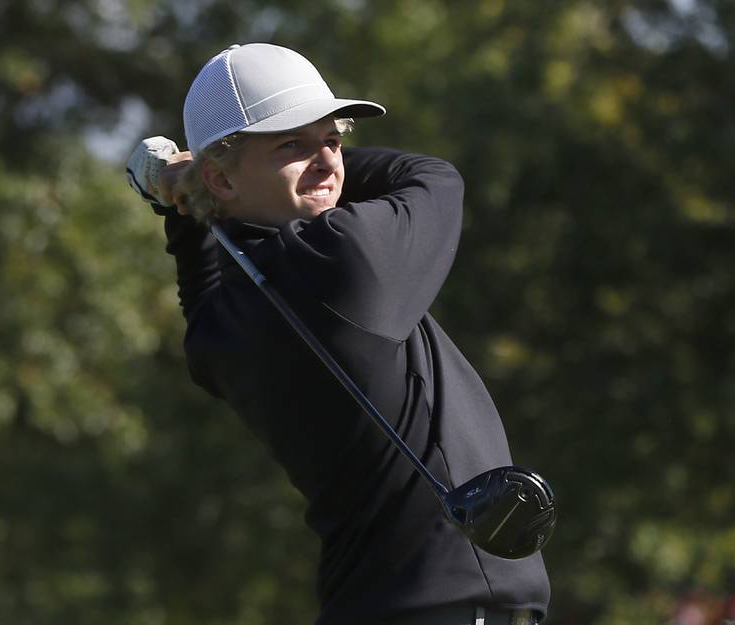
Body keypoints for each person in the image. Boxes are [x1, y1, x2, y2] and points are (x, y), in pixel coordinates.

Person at [127, 43, 550, 625]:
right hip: (446, 611)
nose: (328, 162)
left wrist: (189, 198)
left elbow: (200, 277)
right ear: (221, 180)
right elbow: (430, 175)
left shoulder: (218, 334)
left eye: (333, 140)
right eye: (291, 145)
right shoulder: (346, 260)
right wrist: (186, 186)